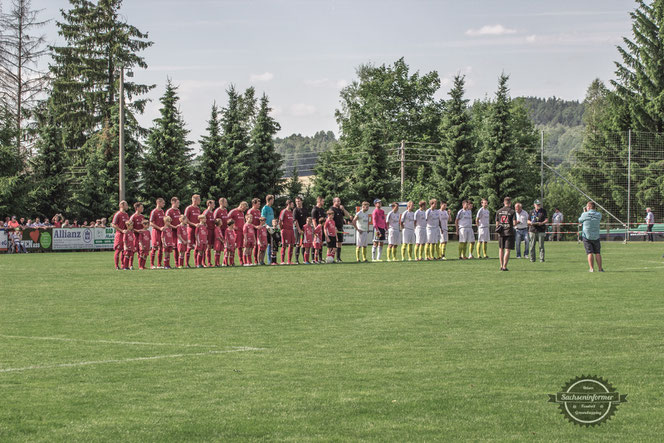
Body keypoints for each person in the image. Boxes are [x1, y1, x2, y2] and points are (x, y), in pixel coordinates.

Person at [578, 201, 603, 272]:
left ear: (588, 207)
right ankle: (600, 269)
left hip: (587, 236)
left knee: (589, 253)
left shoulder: (584, 214)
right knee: (597, 253)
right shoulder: (599, 214)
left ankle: (591, 268)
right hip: (596, 236)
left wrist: (585, 212)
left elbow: (580, 220)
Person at [495, 197, 517, 271]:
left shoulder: (499, 211)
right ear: (510, 203)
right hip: (509, 232)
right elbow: (514, 223)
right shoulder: (512, 211)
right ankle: (504, 266)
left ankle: (501, 265)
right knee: (507, 250)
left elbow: (497, 224)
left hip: (501, 233)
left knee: (501, 249)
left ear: (504, 202)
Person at [330, 197, 351, 262]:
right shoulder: (332, 209)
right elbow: (330, 219)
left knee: (339, 243)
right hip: (334, 229)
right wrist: (334, 228)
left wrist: (343, 209)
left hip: (340, 228)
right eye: (338, 201)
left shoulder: (340, 209)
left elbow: (348, 216)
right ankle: (331, 258)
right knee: (334, 244)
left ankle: (338, 258)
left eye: (339, 201)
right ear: (334, 202)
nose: (339, 202)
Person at [184, 194, 202, 268]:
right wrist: (193, 224)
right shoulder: (189, 208)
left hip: (197, 229)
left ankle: (196, 263)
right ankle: (186, 263)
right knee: (189, 246)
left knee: (197, 246)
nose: (200, 201)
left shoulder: (198, 208)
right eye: (199, 199)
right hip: (191, 229)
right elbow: (185, 219)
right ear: (194, 200)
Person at [111, 201, 130, 270]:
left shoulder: (127, 215)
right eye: (126, 205)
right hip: (119, 234)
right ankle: (116, 266)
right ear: (121, 205)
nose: (127, 206)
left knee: (124, 250)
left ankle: (123, 265)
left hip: (126, 235)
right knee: (118, 250)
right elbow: (113, 224)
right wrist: (121, 230)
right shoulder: (118, 214)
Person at [166, 197, 182, 265]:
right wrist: (174, 227)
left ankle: (178, 263)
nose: (179, 204)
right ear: (173, 203)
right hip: (171, 231)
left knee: (178, 247)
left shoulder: (178, 211)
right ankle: (169, 264)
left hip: (178, 231)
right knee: (173, 248)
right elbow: (167, 222)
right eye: (177, 202)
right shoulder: (169, 211)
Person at [279, 199, 296, 265]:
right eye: (292, 204)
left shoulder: (291, 212)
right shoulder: (284, 211)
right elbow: (280, 221)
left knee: (291, 245)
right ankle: (282, 261)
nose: (293, 205)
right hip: (285, 230)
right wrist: (281, 229)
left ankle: (289, 261)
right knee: (284, 245)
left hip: (291, 230)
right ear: (288, 204)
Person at [292, 196, 308, 264]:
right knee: (298, 243)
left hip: (304, 228)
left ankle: (304, 260)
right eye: (296, 201)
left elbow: (307, 219)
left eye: (298, 201)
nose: (297, 203)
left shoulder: (305, 209)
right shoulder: (295, 210)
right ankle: (296, 260)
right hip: (298, 229)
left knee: (304, 244)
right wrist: (299, 230)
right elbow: (295, 221)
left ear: (301, 201)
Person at [261, 195, 275, 263]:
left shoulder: (271, 208)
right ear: (269, 200)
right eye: (272, 199)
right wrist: (266, 226)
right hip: (266, 228)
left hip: (272, 229)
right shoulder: (265, 208)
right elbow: (262, 219)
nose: (273, 201)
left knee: (271, 244)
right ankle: (264, 260)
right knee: (266, 244)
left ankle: (271, 260)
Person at [203, 199, 216, 267]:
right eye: (213, 203)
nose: (214, 205)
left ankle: (209, 262)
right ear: (209, 204)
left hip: (212, 230)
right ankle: (204, 263)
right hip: (207, 231)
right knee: (206, 247)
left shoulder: (212, 212)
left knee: (209, 247)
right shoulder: (206, 212)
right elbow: (202, 219)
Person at [248, 198, 262, 263]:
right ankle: (249, 260)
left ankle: (257, 260)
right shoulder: (250, 211)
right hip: (252, 230)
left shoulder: (258, 211)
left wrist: (261, 225)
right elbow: (248, 222)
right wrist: (255, 226)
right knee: (251, 246)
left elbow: (260, 220)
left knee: (257, 245)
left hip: (258, 230)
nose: (259, 205)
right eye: (258, 204)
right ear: (254, 204)